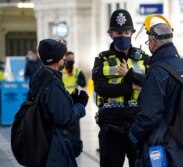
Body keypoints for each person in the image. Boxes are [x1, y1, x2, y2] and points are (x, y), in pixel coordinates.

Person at [128, 15, 183, 166]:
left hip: (164, 149)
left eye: (148, 42)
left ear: (153, 43)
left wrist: (133, 135)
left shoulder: (157, 72)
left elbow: (149, 115)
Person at [92, 9, 150, 167]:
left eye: (126, 32)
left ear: (132, 32)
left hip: (137, 126)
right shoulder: (101, 59)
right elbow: (101, 89)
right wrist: (132, 86)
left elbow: (151, 84)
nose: (122, 36)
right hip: (110, 127)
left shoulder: (144, 58)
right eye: (118, 32)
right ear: (111, 34)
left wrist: (130, 75)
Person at [29, 39, 89, 167]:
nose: (65, 59)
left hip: (42, 139)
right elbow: (64, 118)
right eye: (63, 56)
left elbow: (51, 108)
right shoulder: (52, 83)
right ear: (56, 59)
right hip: (55, 146)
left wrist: (70, 101)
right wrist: (80, 105)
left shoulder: (39, 76)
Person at [62, 51, 87, 138]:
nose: (71, 60)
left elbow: (84, 83)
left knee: (75, 120)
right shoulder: (61, 70)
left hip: (74, 98)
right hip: (63, 98)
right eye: (69, 59)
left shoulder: (77, 71)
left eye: (72, 59)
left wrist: (77, 79)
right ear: (65, 59)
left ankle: (76, 140)